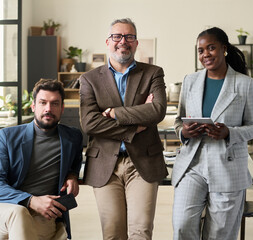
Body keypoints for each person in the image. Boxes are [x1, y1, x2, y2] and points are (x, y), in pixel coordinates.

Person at [79, 18, 168, 240]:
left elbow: (157, 111)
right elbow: (89, 123)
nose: (123, 42)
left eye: (129, 37)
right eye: (117, 36)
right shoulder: (89, 79)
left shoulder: (153, 73)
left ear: (136, 43)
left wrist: (113, 113)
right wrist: (134, 126)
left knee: (140, 231)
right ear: (108, 41)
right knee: (113, 234)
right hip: (104, 165)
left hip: (143, 162)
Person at [172, 27, 253, 240]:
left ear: (224, 49)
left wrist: (228, 133)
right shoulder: (190, 81)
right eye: (201, 51)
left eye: (211, 48)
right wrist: (184, 132)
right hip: (192, 164)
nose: (205, 55)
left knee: (218, 235)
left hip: (227, 166)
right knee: (182, 225)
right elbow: (178, 121)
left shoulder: (243, 83)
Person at [0, 79, 83, 240]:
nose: (48, 109)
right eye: (43, 102)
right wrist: (31, 201)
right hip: (3, 210)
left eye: (54, 104)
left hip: (44, 215)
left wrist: (72, 176)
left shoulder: (73, 137)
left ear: (62, 108)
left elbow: (74, 164)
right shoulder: (7, 137)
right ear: (33, 106)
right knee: (19, 213)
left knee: (26, 221)